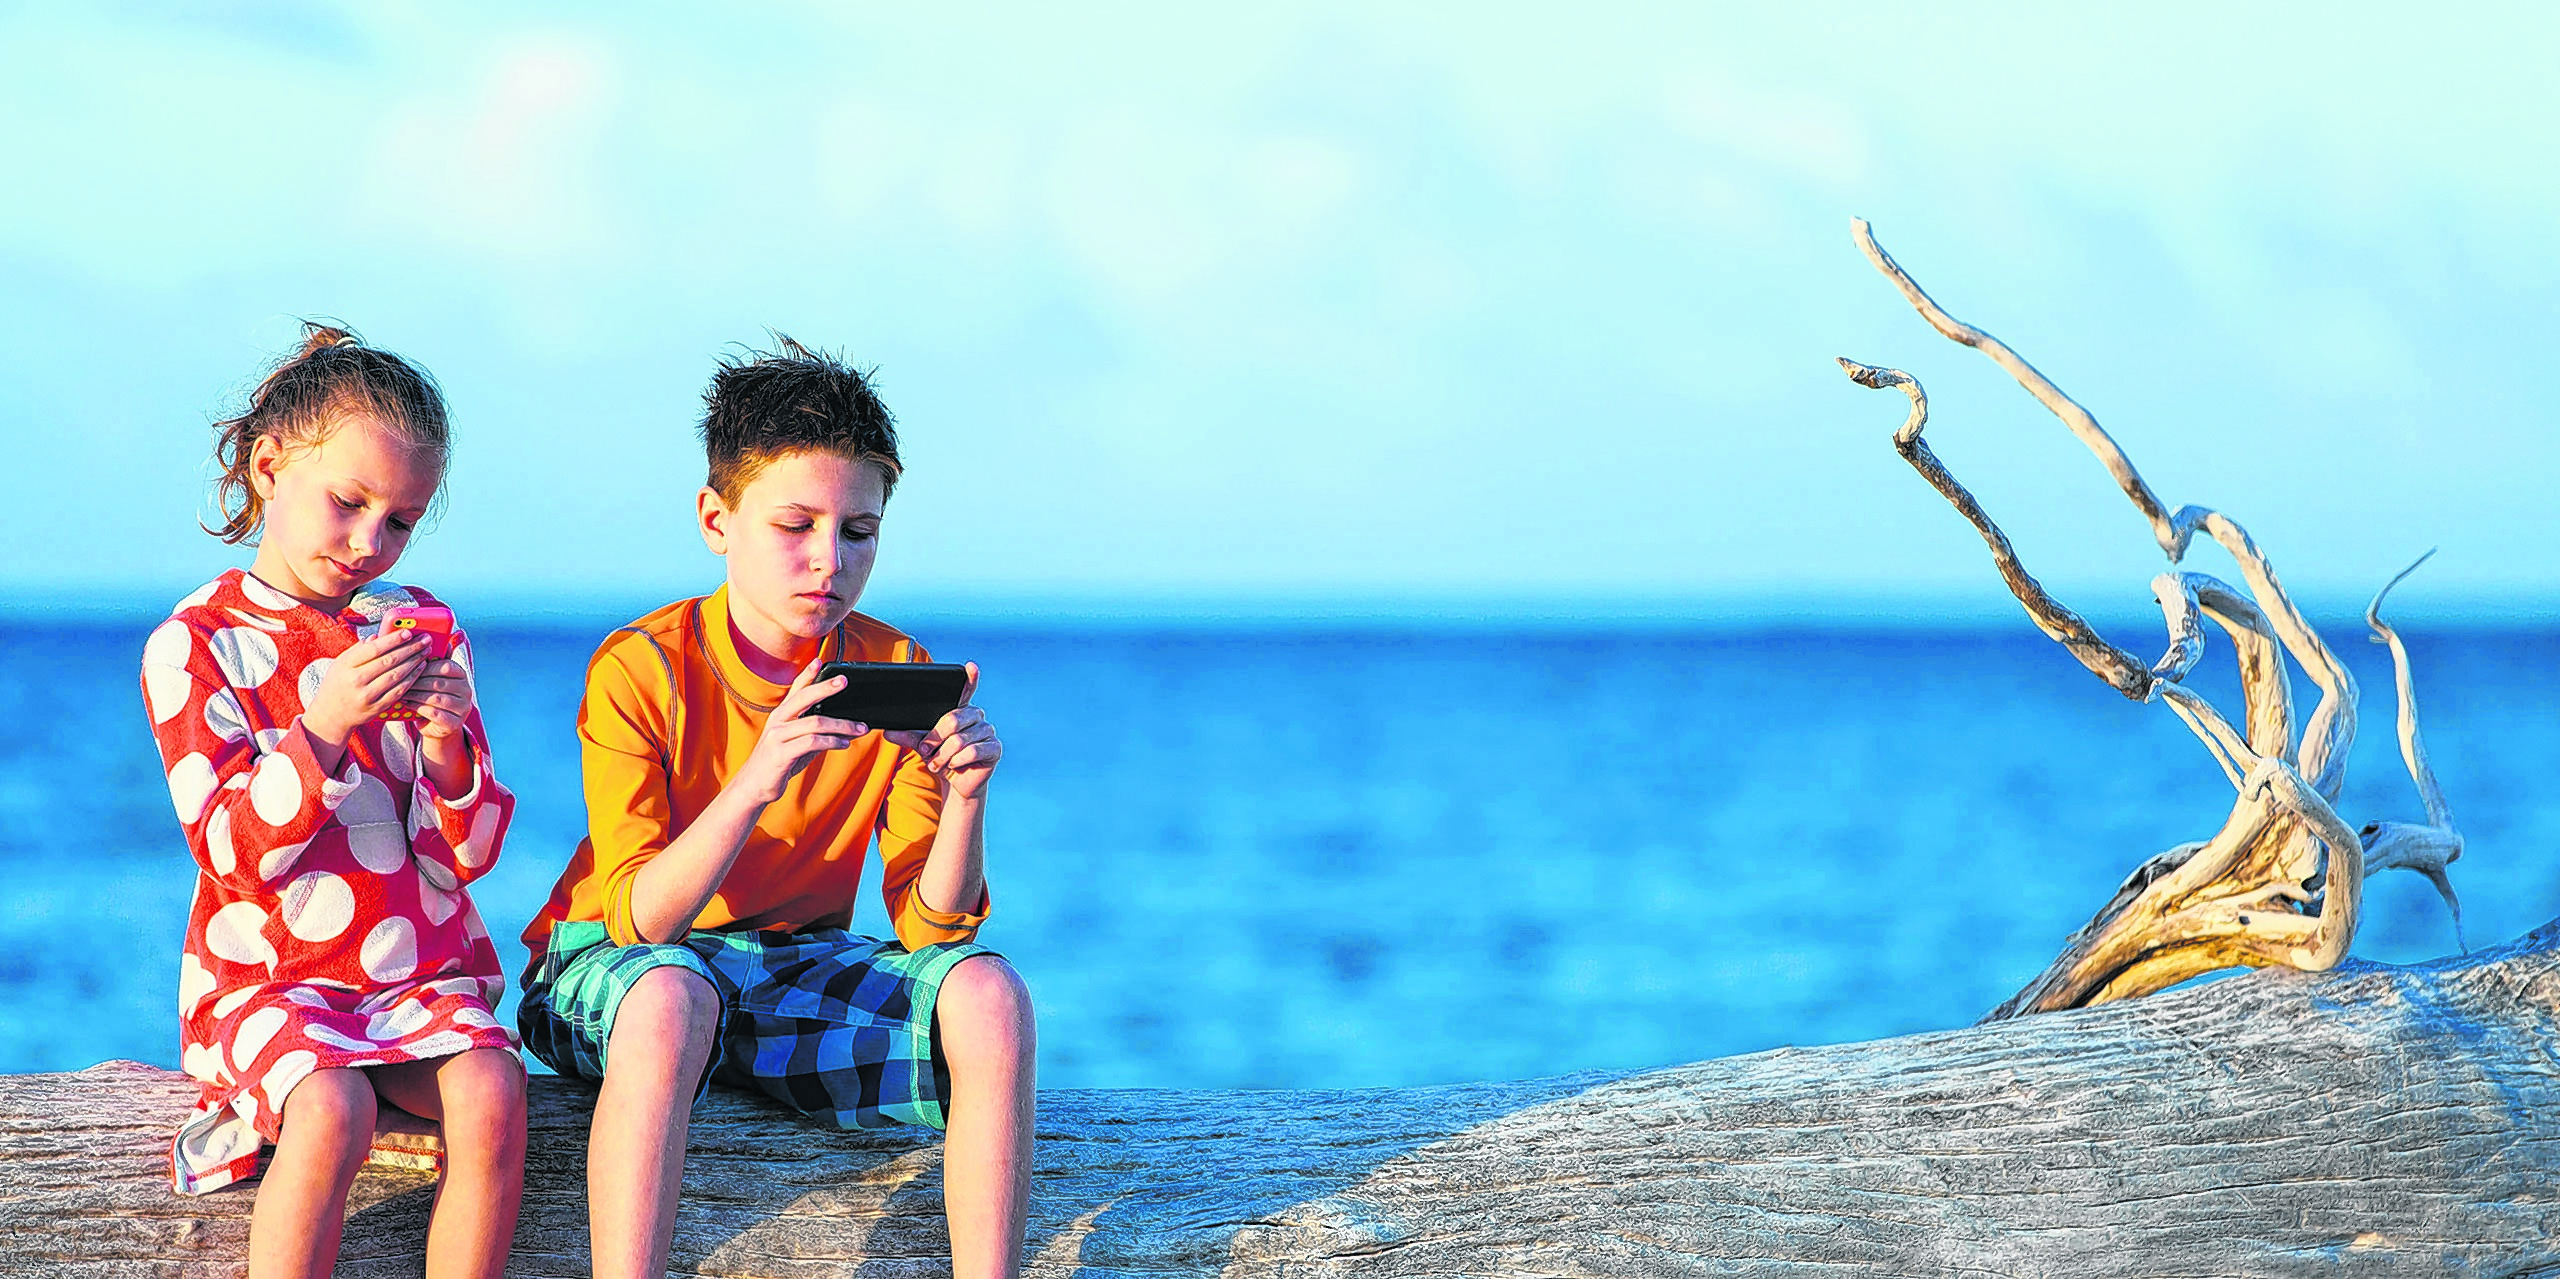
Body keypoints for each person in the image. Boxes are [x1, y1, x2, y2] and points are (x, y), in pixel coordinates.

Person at [518, 338, 1036, 1279]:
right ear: (717, 519)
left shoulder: (898, 668)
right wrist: (760, 775)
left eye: (858, 531)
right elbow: (641, 919)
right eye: (795, 524)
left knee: (991, 997)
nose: (828, 560)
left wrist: (966, 797)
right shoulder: (643, 667)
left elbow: (932, 928)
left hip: (789, 971)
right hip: (612, 964)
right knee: (672, 997)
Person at [141, 324, 527, 1279]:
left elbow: (470, 855)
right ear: (270, 466)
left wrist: (446, 743)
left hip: (413, 980)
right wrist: (322, 726)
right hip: (269, 981)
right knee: (331, 1105)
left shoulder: (421, 630)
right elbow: (231, 853)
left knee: (492, 1090)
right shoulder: (196, 644)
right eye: (349, 503)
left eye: (400, 521)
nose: (369, 543)